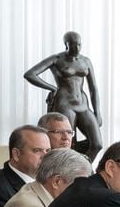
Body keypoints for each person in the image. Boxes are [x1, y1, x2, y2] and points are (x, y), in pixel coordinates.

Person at [23, 32, 104, 161]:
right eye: (73, 45)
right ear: (66, 45)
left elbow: (93, 89)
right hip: (65, 104)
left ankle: (82, 169)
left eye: (79, 44)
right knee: (68, 144)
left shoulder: (85, 61)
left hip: (83, 105)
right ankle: (67, 170)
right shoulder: (56, 59)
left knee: (97, 144)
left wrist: (97, 112)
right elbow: (30, 74)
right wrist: (52, 88)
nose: (77, 48)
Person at [0, 126, 51, 207]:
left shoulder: (51, 181)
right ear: (16, 154)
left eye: (47, 151)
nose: (45, 156)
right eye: (37, 150)